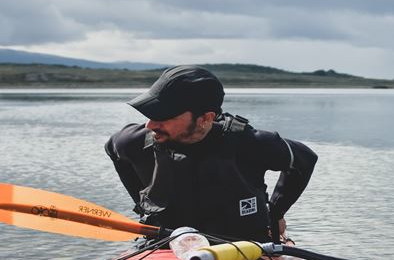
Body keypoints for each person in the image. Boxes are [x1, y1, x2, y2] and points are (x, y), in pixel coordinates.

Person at [105, 65, 317, 242]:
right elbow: (113, 151)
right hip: (168, 242)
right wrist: (144, 204)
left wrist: (275, 212)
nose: (151, 125)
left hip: (244, 245)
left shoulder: (251, 143)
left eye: (164, 116)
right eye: (149, 114)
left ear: (205, 118)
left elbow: (305, 159)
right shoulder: (134, 142)